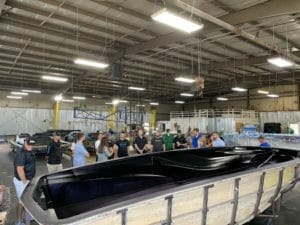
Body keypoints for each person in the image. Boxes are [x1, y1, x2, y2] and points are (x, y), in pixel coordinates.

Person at [13, 137, 36, 225]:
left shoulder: (29, 151)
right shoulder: (21, 153)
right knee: (22, 201)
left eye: (32, 145)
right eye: (29, 144)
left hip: (27, 179)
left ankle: (27, 217)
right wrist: (24, 181)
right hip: (21, 181)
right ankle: (18, 221)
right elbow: (19, 169)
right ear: (25, 143)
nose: (30, 146)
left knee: (28, 200)